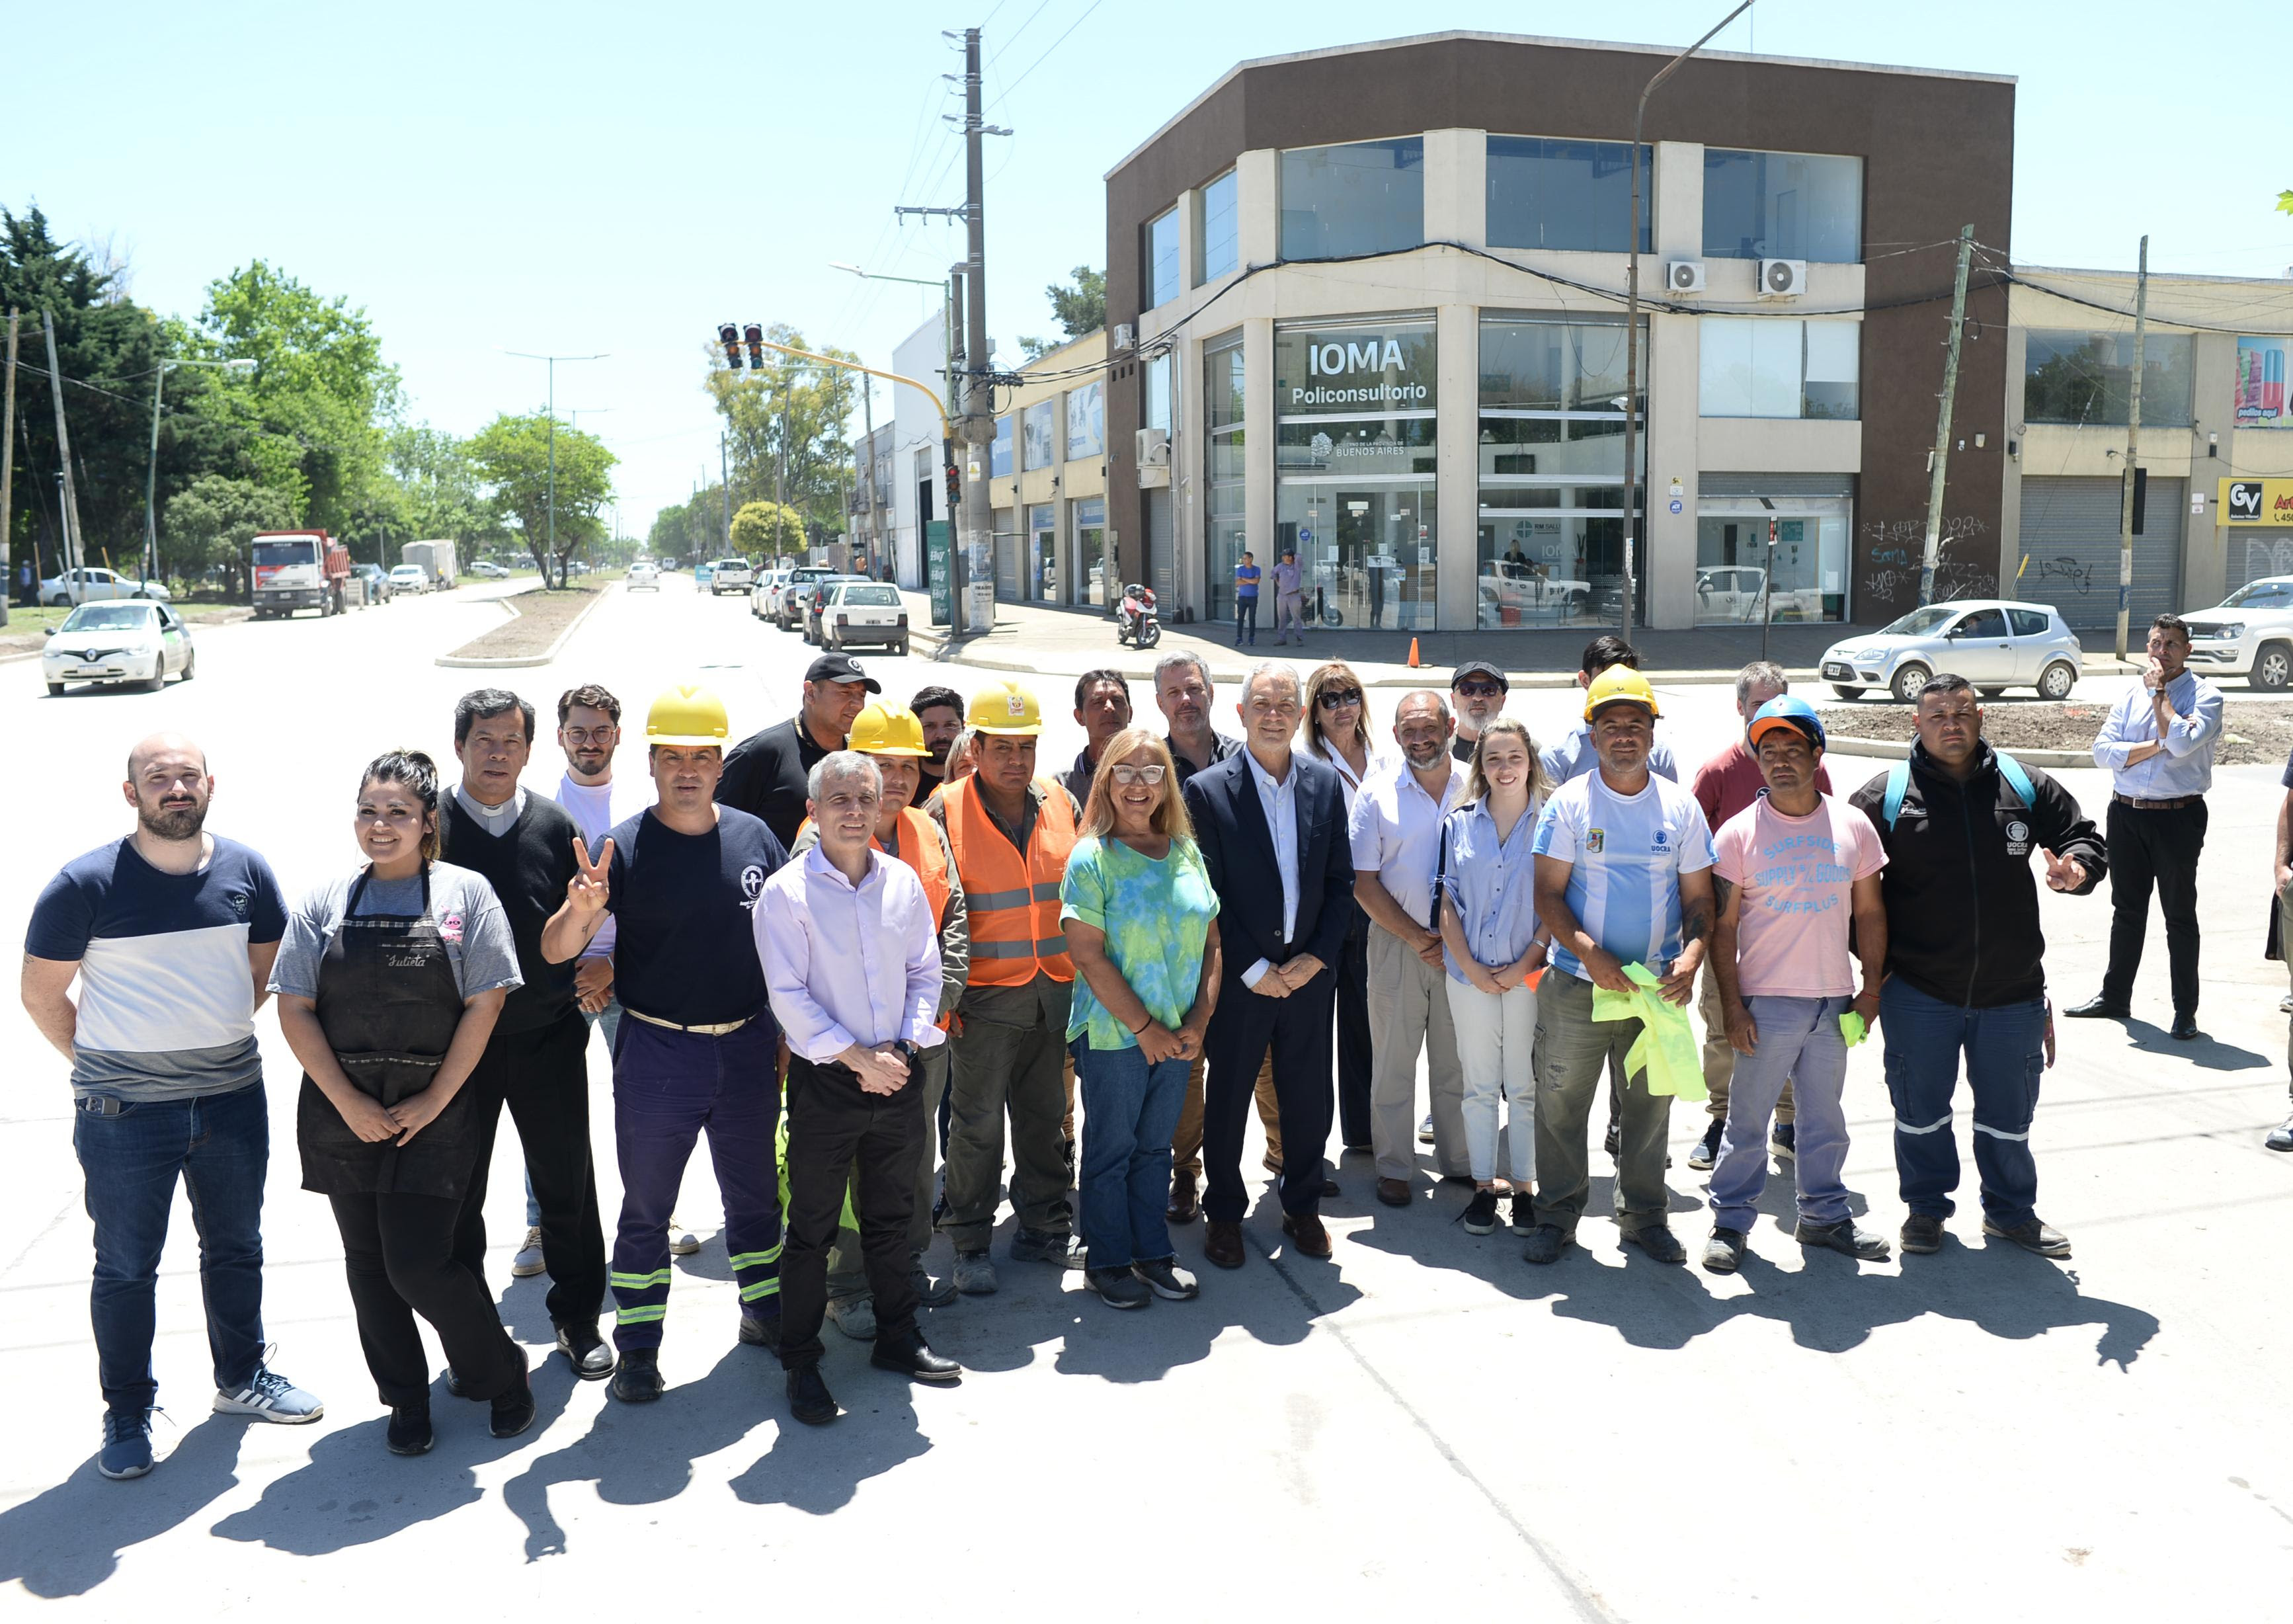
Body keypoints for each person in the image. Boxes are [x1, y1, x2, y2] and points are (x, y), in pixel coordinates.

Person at [23, 733, 321, 1482]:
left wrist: (206, 1035)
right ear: (132, 794)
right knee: (125, 1267)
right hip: (123, 1112)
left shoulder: (246, 869)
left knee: (236, 1246)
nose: (176, 788)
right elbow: (40, 993)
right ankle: (128, 1411)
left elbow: (264, 972)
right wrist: (106, 1065)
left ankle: (242, 1377)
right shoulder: (85, 883)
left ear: (210, 784)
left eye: (188, 776)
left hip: (230, 1097)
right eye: (160, 778)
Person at [272, 749, 530, 1455]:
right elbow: (294, 1008)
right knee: (367, 1264)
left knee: (418, 1262)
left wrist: (437, 1099)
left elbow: (485, 1004)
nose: (380, 826)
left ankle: (500, 1370)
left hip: (435, 1110)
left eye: (397, 813)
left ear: (427, 822)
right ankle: (406, 1397)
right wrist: (349, 1100)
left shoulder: (464, 894)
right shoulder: (325, 900)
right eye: (368, 810)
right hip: (341, 1109)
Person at [540, 684, 789, 1401]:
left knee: (753, 1198)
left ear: (720, 763)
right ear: (650, 762)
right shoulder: (623, 845)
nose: (688, 768)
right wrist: (582, 911)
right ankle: (640, 1347)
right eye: (673, 755)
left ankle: (765, 1313)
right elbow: (558, 949)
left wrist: (784, 1034)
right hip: (656, 1052)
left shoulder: (753, 838)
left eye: (702, 755)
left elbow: (785, 945)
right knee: (647, 1206)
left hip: (745, 1046)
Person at [1847, 675, 2106, 1260]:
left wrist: (2078, 870)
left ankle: (2011, 1213)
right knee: (1919, 1113)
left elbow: (2082, 837)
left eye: (1961, 712)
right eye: (1937, 714)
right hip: (1918, 991)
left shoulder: (2022, 784)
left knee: (2009, 1117)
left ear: (1981, 717)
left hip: (2012, 991)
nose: (1951, 724)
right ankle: (1926, 1210)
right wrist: (1875, 968)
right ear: (1916, 723)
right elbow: (1841, 880)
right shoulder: (1886, 795)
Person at [759, 752, 961, 1426]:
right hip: (827, 1084)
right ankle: (800, 1359)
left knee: (892, 1219)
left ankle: (899, 1340)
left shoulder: (901, 883)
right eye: (838, 797)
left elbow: (925, 972)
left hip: (898, 1075)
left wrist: (901, 1048)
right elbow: (787, 997)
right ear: (813, 811)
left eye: (864, 799)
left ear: (881, 810)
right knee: (812, 1230)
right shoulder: (786, 895)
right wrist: (856, 1058)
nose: (852, 809)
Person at [435, 690, 611, 1382]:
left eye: (511, 740)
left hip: (548, 1036)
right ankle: (471, 1338)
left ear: (530, 749)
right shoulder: (431, 827)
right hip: (458, 1049)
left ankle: (578, 1319)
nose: (498, 752)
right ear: (460, 745)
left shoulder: (552, 825)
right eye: (484, 739)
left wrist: (587, 918)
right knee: (458, 1198)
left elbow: (560, 938)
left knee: (567, 1186)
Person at [785, 704, 970, 1330]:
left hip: (916, 1040)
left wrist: (925, 1024)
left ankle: (903, 1268)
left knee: (908, 1170)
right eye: (881, 766)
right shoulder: (815, 847)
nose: (895, 780)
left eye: (905, 767)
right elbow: (795, 980)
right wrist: (862, 1055)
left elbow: (952, 923)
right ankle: (848, 1284)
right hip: (840, 1059)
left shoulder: (926, 830)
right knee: (838, 1181)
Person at [1525, 667, 1716, 1266]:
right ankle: (1556, 1216)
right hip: (1578, 984)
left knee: (1648, 1110)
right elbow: (1548, 896)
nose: (1625, 736)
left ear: (1653, 732)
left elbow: (1700, 900)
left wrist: (1691, 956)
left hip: (1656, 991)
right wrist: (1590, 954)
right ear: (1593, 734)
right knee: (1559, 1106)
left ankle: (1644, 1218)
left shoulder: (1680, 807)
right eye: (1612, 726)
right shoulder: (1569, 803)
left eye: (1636, 725)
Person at [1702, 698, 1890, 1273]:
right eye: (1768, 752)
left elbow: (1871, 914)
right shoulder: (1737, 835)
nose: (1780, 761)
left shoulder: (1852, 825)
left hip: (1833, 1002)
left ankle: (1825, 1217)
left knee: (1823, 1117)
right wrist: (1733, 1007)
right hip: (1766, 1004)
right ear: (1757, 762)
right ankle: (1730, 1223)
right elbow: (1723, 928)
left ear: (1817, 754)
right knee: (1747, 1121)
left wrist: (1871, 989)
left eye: (1792, 750)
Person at [1183, 663, 1355, 1267]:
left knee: (1308, 1096)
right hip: (1241, 979)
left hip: (1308, 978)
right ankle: (1225, 1214)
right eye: (1263, 703)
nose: (1275, 713)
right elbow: (1208, 894)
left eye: (1286, 703)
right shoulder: (1206, 791)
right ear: (1241, 714)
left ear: (1301, 715)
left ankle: (1302, 1205)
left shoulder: (1324, 783)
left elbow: (1341, 884)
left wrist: (1315, 959)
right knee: (1228, 1100)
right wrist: (1253, 967)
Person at [927, 682, 1083, 1293]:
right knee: (977, 1125)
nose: (1016, 762)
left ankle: (1044, 1223)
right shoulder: (944, 807)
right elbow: (934, 908)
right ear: (978, 746)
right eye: (1003, 749)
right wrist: (946, 996)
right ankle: (969, 1239)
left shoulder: (1059, 800)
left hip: (1054, 991)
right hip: (983, 999)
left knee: (1046, 1116)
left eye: (1027, 747)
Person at [539, 684, 694, 1277]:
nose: (589, 742)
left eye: (601, 731)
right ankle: (541, 1220)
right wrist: (578, 968)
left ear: (619, 736)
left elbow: (661, 903)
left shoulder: (642, 806)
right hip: (561, 980)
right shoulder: (543, 807)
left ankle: (659, 1213)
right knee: (552, 1110)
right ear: (559, 737)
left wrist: (614, 966)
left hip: (631, 978)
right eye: (578, 731)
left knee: (647, 1109)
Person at [1063, 729, 1219, 1309]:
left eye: (1152, 773)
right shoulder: (1092, 858)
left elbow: (1212, 941)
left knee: (1155, 1149)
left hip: (1179, 1036)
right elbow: (1087, 955)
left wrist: (1199, 1020)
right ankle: (1106, 1261)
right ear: (1106, 779)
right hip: (1115, 1037)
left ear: (1166, 785)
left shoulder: (1184, 851)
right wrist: (1145, 1030)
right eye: (1125, 771)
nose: (1138, 784)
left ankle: (1152, 1253)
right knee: (1111, 1150)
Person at [1684, 661, 1832, 1171]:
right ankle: (1721, 1118)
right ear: (1740, 709)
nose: (1765, 716)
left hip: (1791, 931)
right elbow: (1691, 854)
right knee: (1724, 1028)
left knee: (1791, 1030)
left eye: (1776, 705)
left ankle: (1786, 1121)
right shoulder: (1717, 772)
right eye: (1756, 706)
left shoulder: (1812, 768)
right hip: (1728, 930)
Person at [1156, 649, 1283, 1214]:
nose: (1187, 701)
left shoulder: (1247, 758)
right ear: (1160, 702)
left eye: (1194, 690)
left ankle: (1285, 1158)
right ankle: (1188, 1173)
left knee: (1266, 1060)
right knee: (1189, 1065)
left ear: (1211, 694)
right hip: (1181, 945)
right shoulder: (1149, 766)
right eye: (1174, 693)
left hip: (1250, 940)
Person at [2070, 613, 2224, 1040]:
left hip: (2178, 816)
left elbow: (2181, 743)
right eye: (2156, 643)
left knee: (2179, 916)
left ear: (2187, 650)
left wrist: (2160, 699)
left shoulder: (2206, 697)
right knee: (2127, 910)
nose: (2161, 653)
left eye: (2171, 644)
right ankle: (2115, 996)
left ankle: (2184, 1012)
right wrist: (2155, 745)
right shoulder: (2128, 696)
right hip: (2127, 813)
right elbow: (2102, 752)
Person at [1349, 691, 1470, 1205]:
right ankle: (1395, 1166)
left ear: (1449, 725)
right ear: (1396, 736)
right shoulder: (1376, 794)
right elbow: (1363, 882)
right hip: (1397, 945)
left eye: (1429, 727)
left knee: (1457, 1063)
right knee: (1394, 1061)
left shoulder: (1478, 783)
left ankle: (1461, 1161)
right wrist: (1417, 937)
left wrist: (1452, 943)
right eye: (1408, 730)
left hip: (1466, 952)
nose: (1420, 738)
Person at [1437, 718, 1550, 1238]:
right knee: (1479, 1085)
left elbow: (1559, 901)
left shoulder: (1553, 821)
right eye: (1494, 759)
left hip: (1531, 975)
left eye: (1515, 757)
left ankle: (1525, 1189)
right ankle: (1485, 1187)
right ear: (1481, 766)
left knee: (1522, 1085)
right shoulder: (1457, 824)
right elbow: (1446, 905)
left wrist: (1527, 961)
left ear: (1531, 762)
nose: (1506, 769)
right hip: (1470, 976)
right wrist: (1475, 970)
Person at [1300, 660, 1383, 1152]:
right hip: (1325, 908)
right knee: (1313, 1033)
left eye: (1350, 694)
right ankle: (1310, 1142)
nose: (1343, 707)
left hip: (1373, 906)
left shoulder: (1381, 756)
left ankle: (1363, 1133)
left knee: (1362, 1023)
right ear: (1314, 711)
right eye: (1330, 699)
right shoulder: (1306, 762)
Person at [717, 652, 879, 848]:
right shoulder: (763, 753)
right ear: (810, 693)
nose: (857, 704)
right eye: (845, 692)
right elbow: (719, 822)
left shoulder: (859, 757)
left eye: (861, 695)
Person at [1538, 637, 1681, 784]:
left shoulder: (1659, 755)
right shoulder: (1557, 756)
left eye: (1628, 676)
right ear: (1585, 680)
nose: (1619, 684)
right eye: (1606, 677)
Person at [1066, 669, 1134, 807]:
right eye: (1098, 702)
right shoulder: (1063, 786)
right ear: (1080, 717)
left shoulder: (1149, 776)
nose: (1109, 707)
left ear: (1130, 713)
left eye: (1117, 701)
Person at [912, 685, 967, 807]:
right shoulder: (904, 784)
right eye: (930, 726)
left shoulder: (976, 778)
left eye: (950, 725)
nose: (941, 735)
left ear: (963, 727)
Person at [1449, 660, 1509, 764]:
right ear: (1454, 700)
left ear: (1502, 702)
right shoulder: (1436, 752)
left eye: (1489, 690)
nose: (1478, 697)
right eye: (1467, 689)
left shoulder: (1526, 750)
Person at [1272, 548, 1307, 645]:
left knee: (1296, 618)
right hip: (1282, 595)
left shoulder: (1297, 566)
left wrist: (1293, 555)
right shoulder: (1280, 566)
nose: (1283, 558)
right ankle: (1282, 639)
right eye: (1283, 556)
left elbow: (1299, 557)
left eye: (1285, 556)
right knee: (1282, 618)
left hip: (1294, 595)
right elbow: (1273, 572)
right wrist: (1277, 581)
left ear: (1291, 557)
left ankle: (1299, 639)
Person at [1233, 550, 1262, 647]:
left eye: (1246, 558)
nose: (1244, 560)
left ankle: (1251, 638)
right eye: (1243, 559)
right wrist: (1250, 580)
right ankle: (1239, 638)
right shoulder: (1240, 569)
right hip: (1242, 597)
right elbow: (1238, 583)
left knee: (1252, 618)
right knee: (1241, 618)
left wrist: (1244, 579)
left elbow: (1256, 581)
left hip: (1253, 597)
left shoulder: (1257, 569)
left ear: (1251, 559)